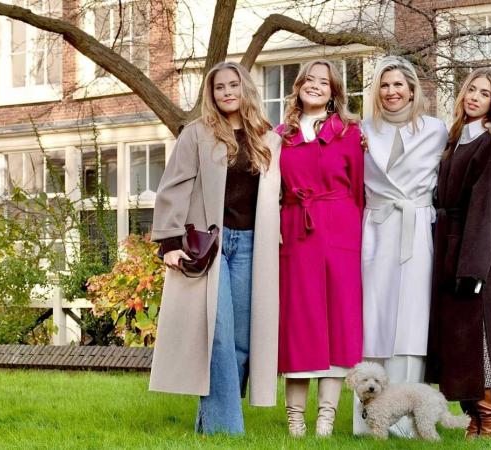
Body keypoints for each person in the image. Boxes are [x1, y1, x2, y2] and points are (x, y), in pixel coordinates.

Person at [148, 61, 282, 435]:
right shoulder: (196, 134)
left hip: (253, 244)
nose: (226, 92)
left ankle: (209, 421)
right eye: (219, 87)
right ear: (211, 94)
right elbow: (172, 186)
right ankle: (227, 431)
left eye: (232, 85)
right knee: (218, 334)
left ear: (245, 89)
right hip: (211, 246)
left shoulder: (267, 137)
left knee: (241, 341)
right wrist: (171, 243)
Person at [354, 55, 448, 438]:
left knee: (410, 319)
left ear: (412, 89)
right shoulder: (360, 131)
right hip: (376, 228)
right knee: (374, 317)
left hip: (415, 228)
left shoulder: (436, 130)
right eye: (384, 85)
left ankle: (408, 420)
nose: (391, 92)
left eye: (398, 85)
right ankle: (368, 419)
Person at [276, 59, 364, 437]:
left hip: (341, 230)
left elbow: (360, 191)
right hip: (297, 230)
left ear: (333, 93)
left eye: (323, 82)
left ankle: (326, 417)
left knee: (338, 325)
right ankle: (295, 417)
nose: (314, 86)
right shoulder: (279, 135)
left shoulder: (350, 133)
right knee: (299, 324)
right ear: (298, 87)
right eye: (308, 80)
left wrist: (353, 235)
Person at [425, 67, 491, 438]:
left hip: (472, 254)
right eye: (471, 90)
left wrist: (473, 269)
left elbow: (487, 209)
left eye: (485, 94)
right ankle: (472, 416)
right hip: (446, 246)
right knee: (456, 340)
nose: (475, 97)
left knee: (477, 335)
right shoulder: (455, 138)